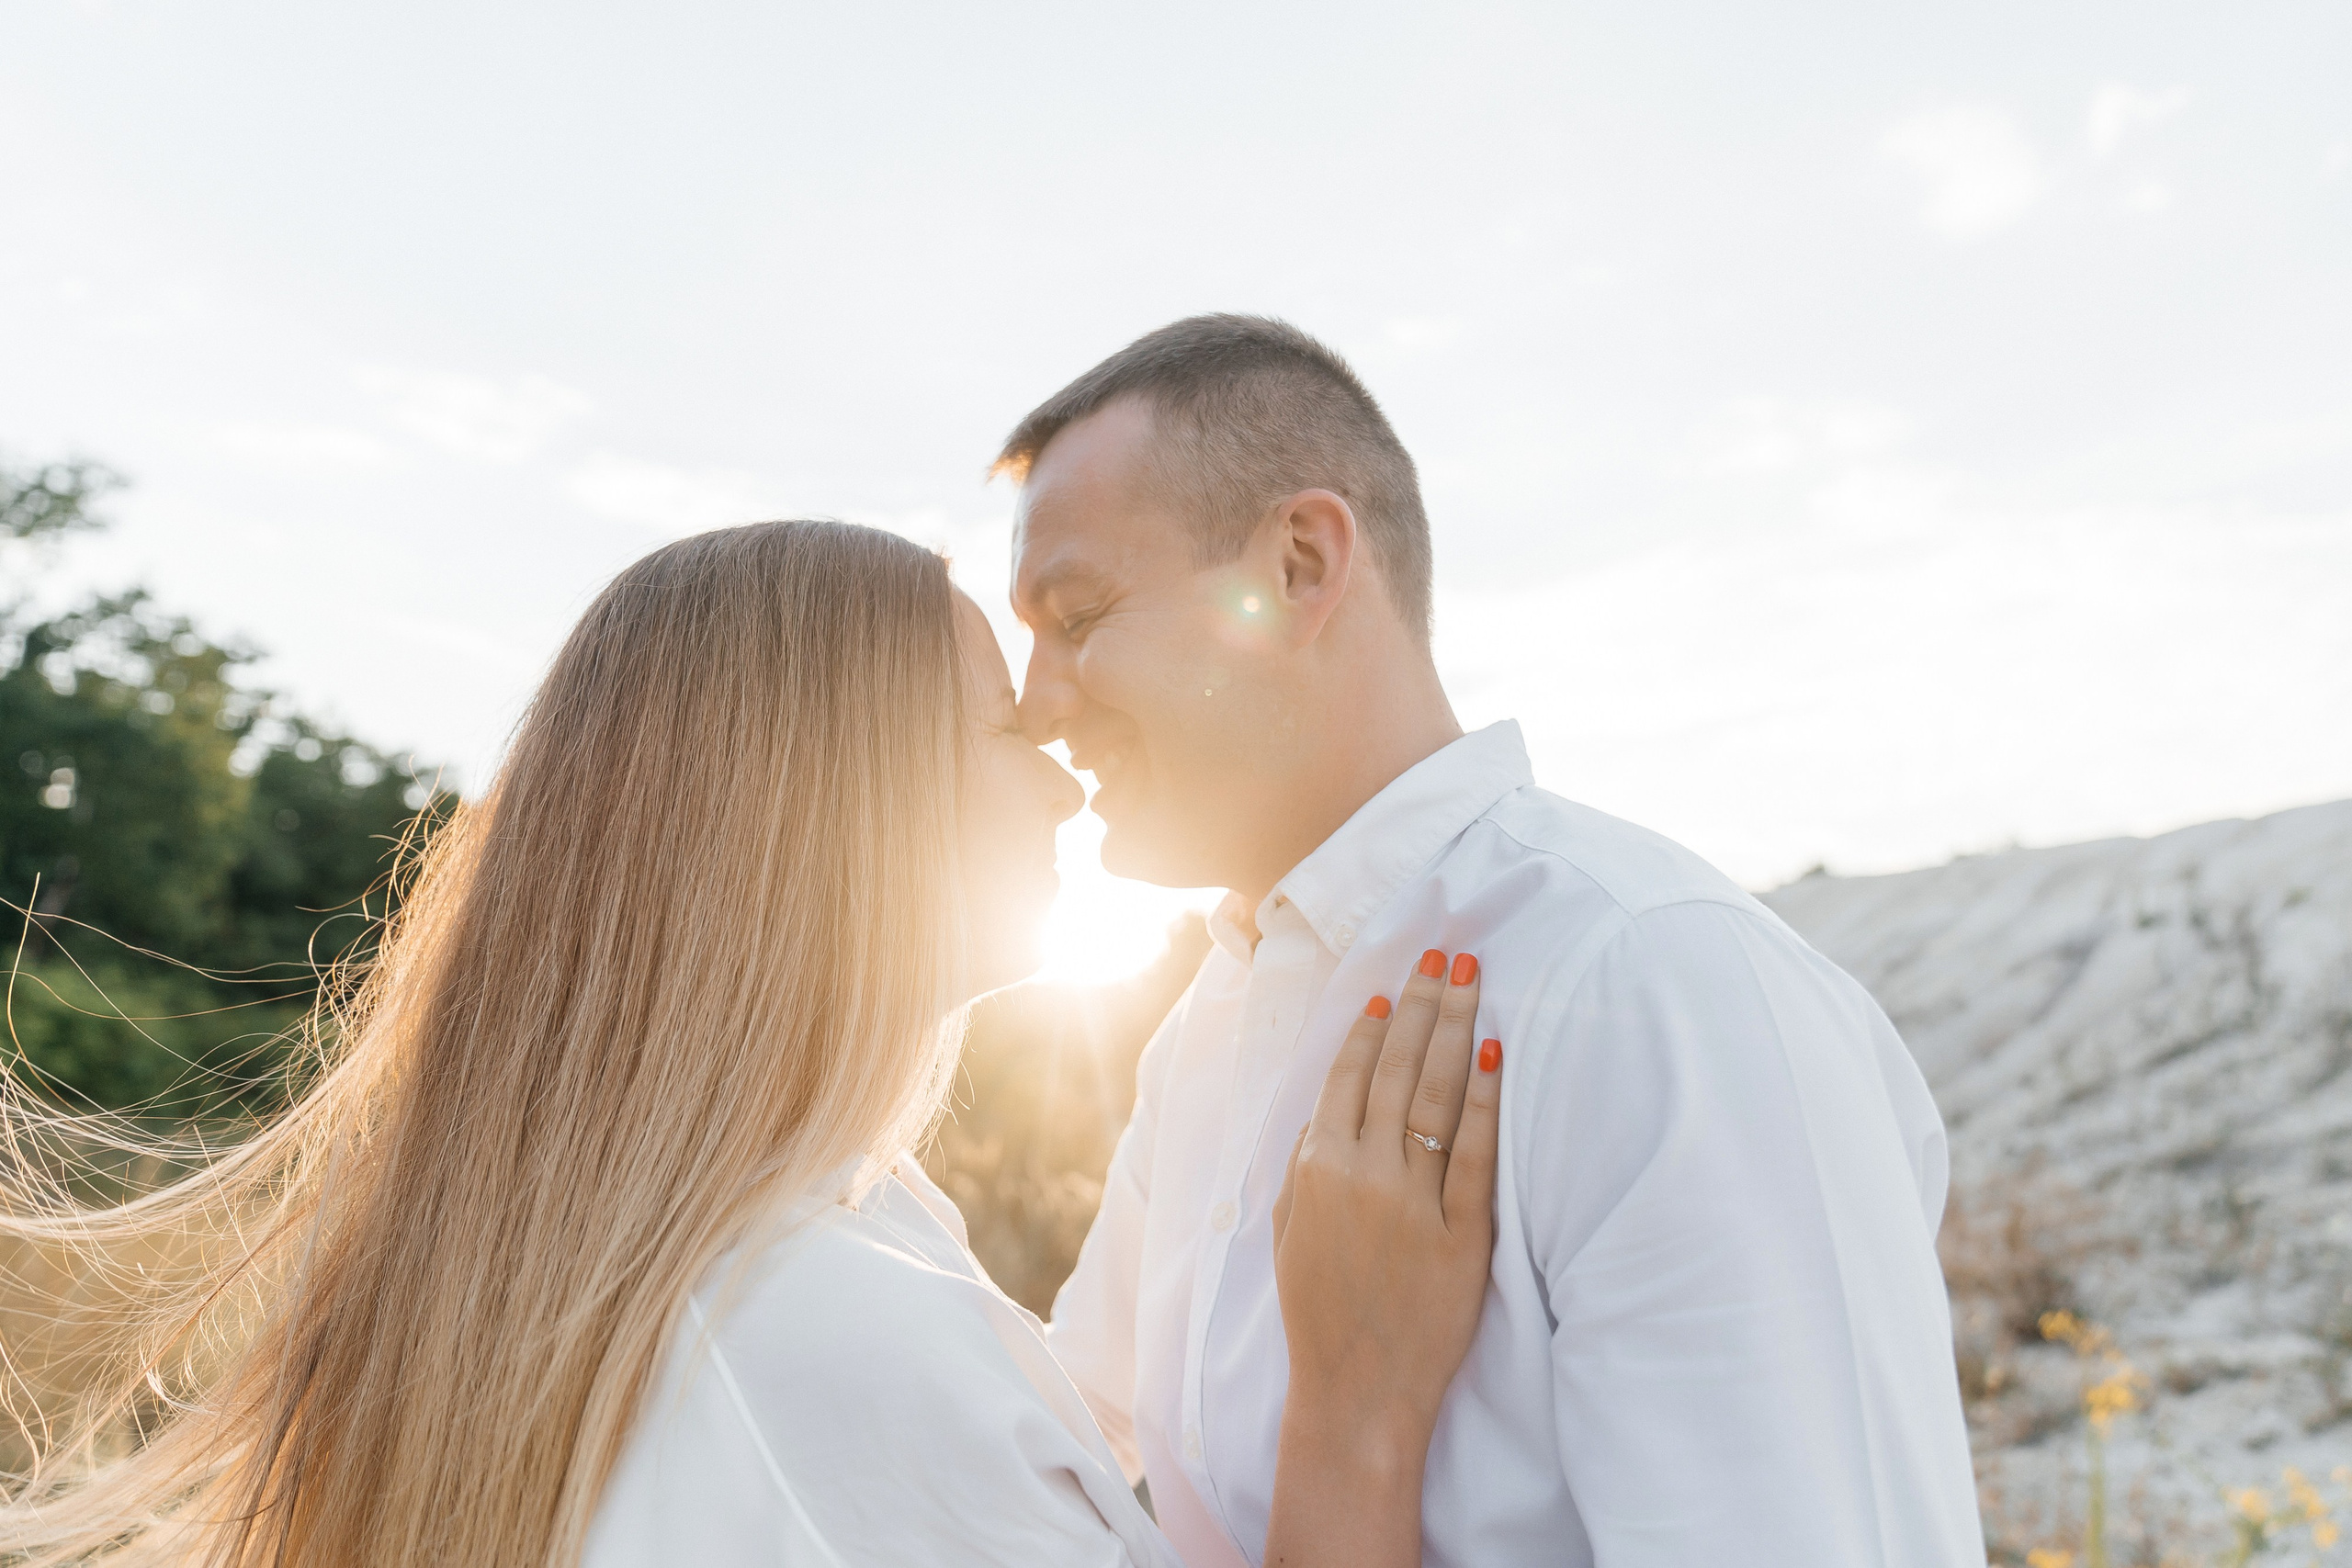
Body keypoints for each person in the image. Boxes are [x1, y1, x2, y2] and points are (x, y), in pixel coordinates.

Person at [0, 520, 1498, 1567]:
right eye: (1000, 737)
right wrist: (1354, 1412)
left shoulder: (768, 1246)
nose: (1061, 788)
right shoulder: (815, 1326)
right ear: (826, 816)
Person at [1003, 315, 1988, 1567]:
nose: (1037, 705)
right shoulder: (1207, 1030)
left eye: (1078, 615)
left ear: (1299, 567)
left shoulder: (1660, 986)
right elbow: (1050, 1455)